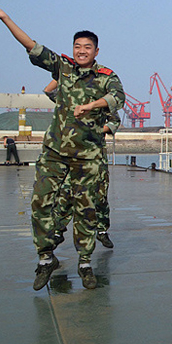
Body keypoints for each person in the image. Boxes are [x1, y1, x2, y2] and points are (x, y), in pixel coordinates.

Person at [0, 4, 124, 291]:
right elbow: (33, 46)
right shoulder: (62, 68)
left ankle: (85, 263)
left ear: (96, 51)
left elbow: (116, 99)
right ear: (72, 49)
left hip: (88, 156)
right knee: (41, 204)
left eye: (87, 47)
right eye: (77, 46)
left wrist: (91, 106)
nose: (81, 51)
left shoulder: (107, 76)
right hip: (55, 152)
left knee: (86, 209)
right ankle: (46, 258)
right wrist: (6, 19)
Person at [44, 79, 120, 250]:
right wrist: (61, 74)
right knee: (66, 193)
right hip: (72, 154)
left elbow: (114, 122)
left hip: (95, 155)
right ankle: (59, 230)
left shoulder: (101, 103)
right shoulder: (70, 99)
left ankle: (101, 231)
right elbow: (49, 91)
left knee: (99, 195)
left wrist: (95, 130)